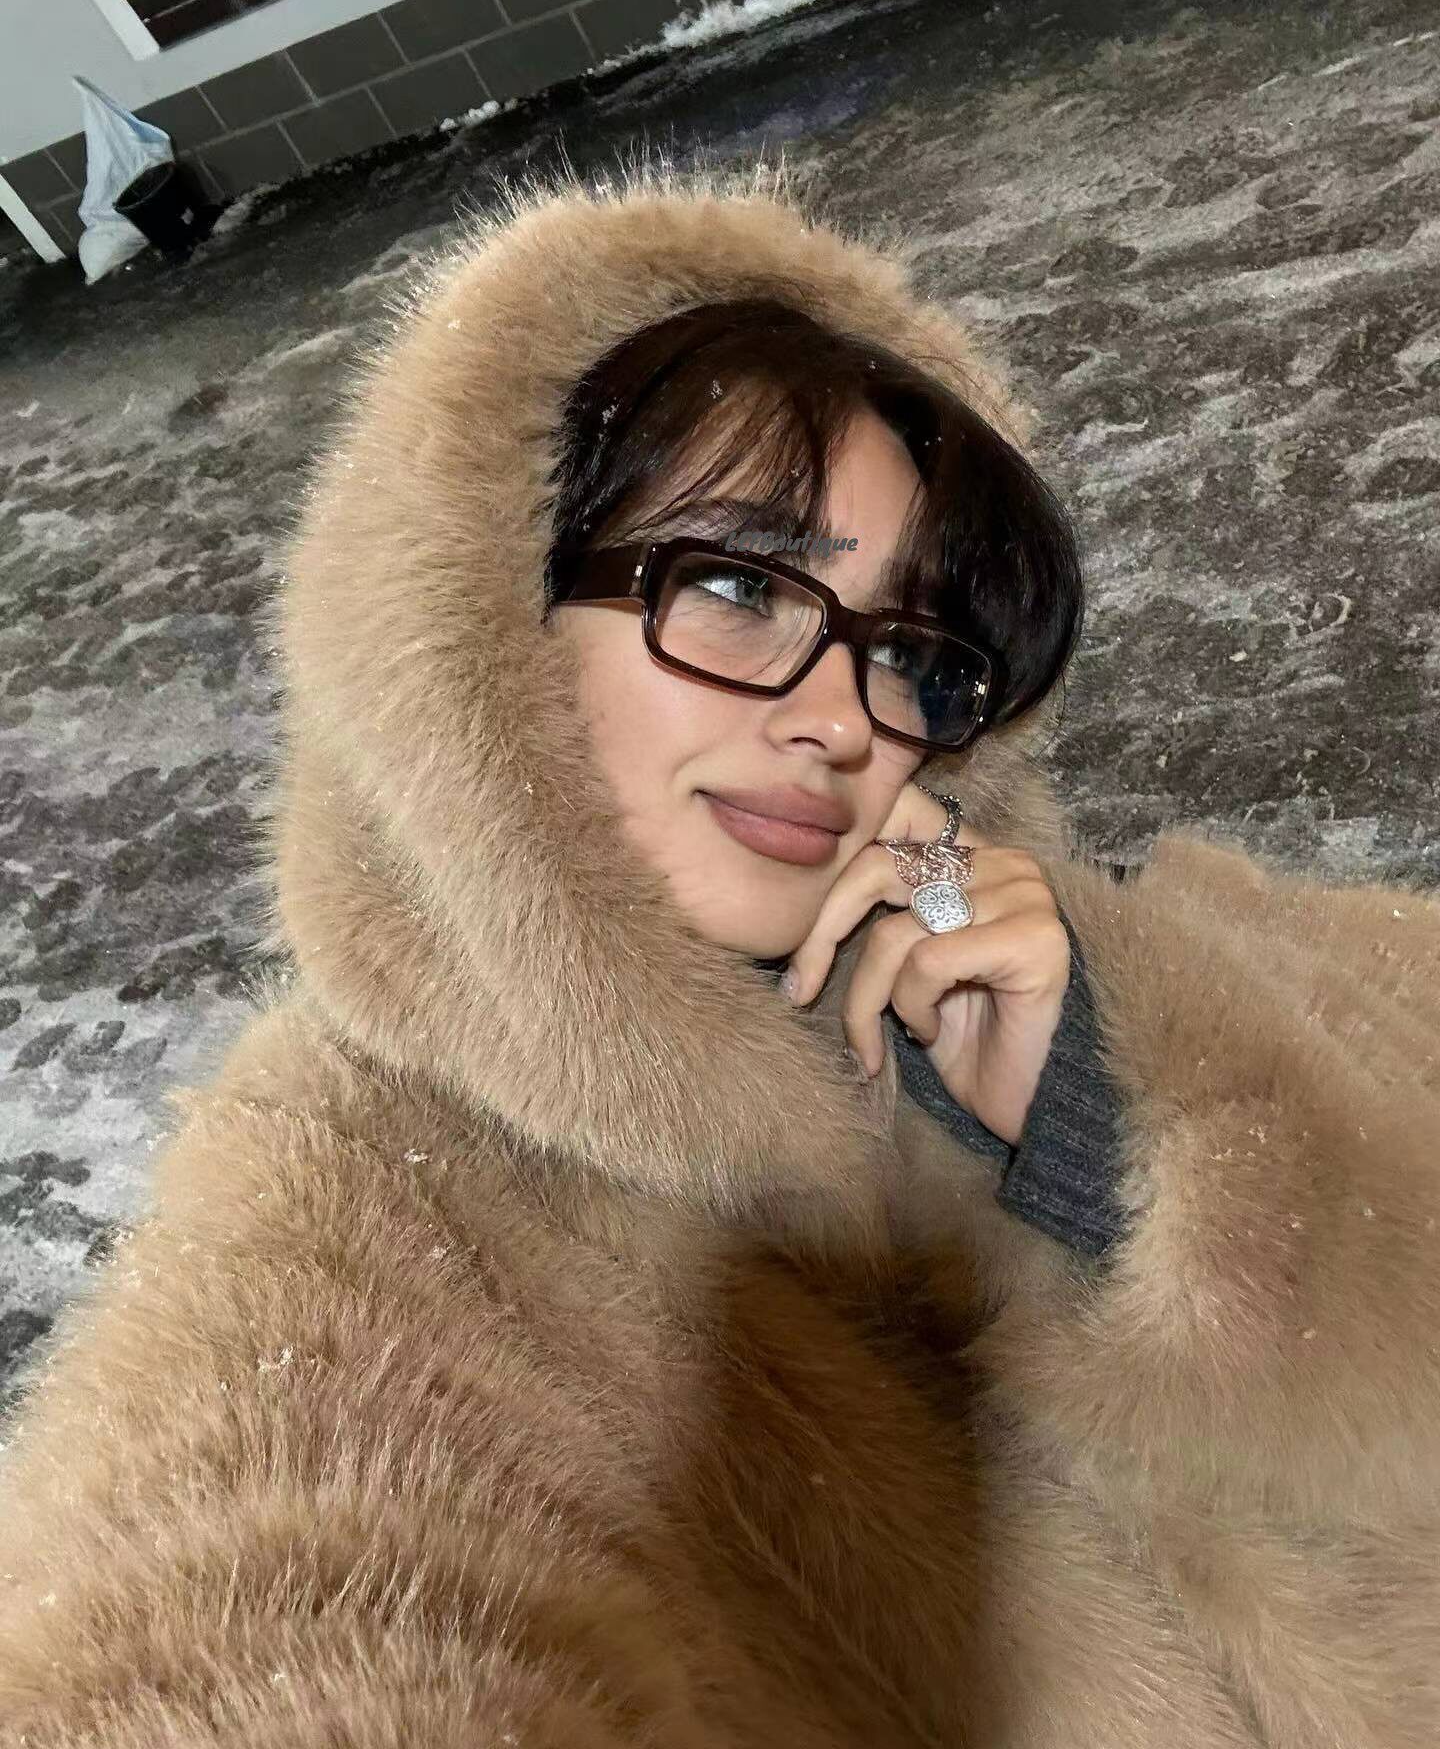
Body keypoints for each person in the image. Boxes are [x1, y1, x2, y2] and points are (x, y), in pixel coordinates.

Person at [0, 150, 1435, 1747]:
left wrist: (1104, 1147)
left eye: (915, 652)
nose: (845, 718)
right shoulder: (351, 1209)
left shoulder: (1117, 974)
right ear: (486, 627)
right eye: (742, 583)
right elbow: (226, 1622)